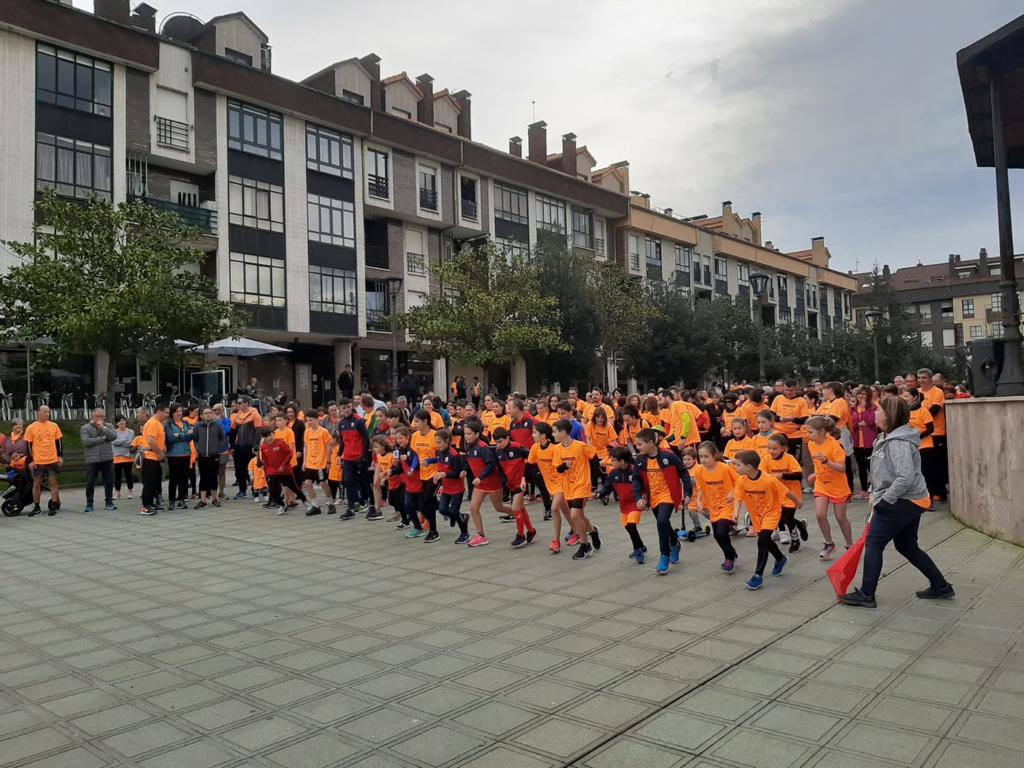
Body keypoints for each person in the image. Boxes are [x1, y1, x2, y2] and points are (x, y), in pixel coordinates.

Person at [841, 396, 953, 607]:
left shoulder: (898, 442)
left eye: (878, 410)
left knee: (874, 543)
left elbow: (905, 477)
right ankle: (941, 586)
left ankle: (866, 594)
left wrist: (886, 500)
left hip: (903, 500)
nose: (874, 413)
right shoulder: (889, 437)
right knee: (907, 546)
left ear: (889, 415)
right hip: (910, 500)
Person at [732, 450, 802, 590]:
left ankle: (758, 575)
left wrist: (797, 502)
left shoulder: (769, 480)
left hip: (771, 513)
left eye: (738, 465)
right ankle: (780, 558)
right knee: (766, 541)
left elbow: (786, 492)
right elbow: (738, 497)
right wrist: (735, 513)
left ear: (749, 467)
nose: (735, 467)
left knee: (762, 539)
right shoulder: (741, 480)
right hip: (756, 516)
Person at [635, 429, 687, 574]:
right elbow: (636, 480)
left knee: (662, 521)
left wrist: (687, 493)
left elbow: (683, 471)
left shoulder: (668, 456)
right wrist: (639, 497)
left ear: (651, 443)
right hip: (653, 497)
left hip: (668, 495)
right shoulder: (640, 460)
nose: (637, 447)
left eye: (640, 444)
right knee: (664, 523)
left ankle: (664, 555)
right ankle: (674, 543)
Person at [552, 419, 601, 560]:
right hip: (568, 486)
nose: (553, 434)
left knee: (574, 515)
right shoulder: (557, 448)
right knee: (580, 515)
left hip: (582, 484)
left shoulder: (580, 446)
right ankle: (593, 531)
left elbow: (594, 458)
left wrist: (593, 480)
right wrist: (564, 466)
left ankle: (585, 545)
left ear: (563, 432)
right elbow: (558, 468)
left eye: (555, 431)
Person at [806, 414, 853, 559]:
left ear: (821, 431)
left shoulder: (835, 445)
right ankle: (829, 543)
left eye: (810, 432)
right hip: (822, 484)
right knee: (820, 514)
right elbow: (817, 464)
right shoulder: (811, 444)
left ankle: (850, 544)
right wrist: (815, 474)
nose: (807, 435)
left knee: (840, 517)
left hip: (838, 486)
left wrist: (827, 461)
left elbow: (842, 468)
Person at [692, 441, 739, 572]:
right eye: (701, 456)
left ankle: (729, 559)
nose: (703, 459)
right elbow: (700, 489)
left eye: (706, 456)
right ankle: (731, 551)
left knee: (721, 532)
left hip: (727, 506)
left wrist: (731, 493)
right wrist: (699, 502)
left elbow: (739, 483)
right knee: (717, 536)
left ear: (714, 456)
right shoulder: (699, 471)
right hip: (713, 507)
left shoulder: (725, 468)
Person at [599, 447, 647, 563]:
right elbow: (607, 487)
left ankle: (637, 550)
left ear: (622, 461)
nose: (611, 462)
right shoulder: (613, 473)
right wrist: (599, 493)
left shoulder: (635, 471)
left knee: (631, 525)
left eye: (614, 460)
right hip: (623, 506)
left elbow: (645, 485)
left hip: (635, 504)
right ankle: (641, 545)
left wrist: (645, 499)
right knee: (629, 527)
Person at [763, 433, 809, 552]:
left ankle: (795, 540)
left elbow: (799, 475)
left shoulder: (789, 458)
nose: (771, 451)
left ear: (783, 448)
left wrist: (783, 475)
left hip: (791, 494)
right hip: (776, 495)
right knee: (781, 518)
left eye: (775, 448)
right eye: (769, 448)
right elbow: (762, 475)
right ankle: (799, 525)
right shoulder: (766, 459)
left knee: (787, 518)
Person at [492, 426, 536, 548]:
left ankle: (520, 535)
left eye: (500, 441)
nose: (499, 444)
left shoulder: (517, 447)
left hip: (521, 483)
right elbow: (500, 470)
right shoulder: (497, 452)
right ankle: (531, 531)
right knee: (520, 509)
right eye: (496, 442)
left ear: (507, 438)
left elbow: (531, 458)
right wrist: (504, 481)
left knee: (516, 507)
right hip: (510, 484)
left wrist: (525, 476)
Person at [25, 405, 64, 517]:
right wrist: (31, 460)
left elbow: (59, 442)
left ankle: (54, 505)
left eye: (48, 412)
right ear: (39, 413)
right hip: (38, 461)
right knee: (36, 483)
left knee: (53, 483)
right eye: (45, 412)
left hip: (52, 460)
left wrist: (60, 456)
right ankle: (37, 507)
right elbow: (28, 446)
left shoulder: (54, 426)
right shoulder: (31, 427)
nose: (47, 414)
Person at [336, 398, 371, 520]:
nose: (346, 410)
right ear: (340, 409)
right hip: (348, 458)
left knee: (365, 482)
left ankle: (372, 506)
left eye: (348, 407)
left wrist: (364, 456)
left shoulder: (359, 421)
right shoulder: (341, 424)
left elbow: (366, 440)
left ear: (351, 407)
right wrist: (339, 455)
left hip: (359, 457)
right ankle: (351, 508)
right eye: (343, 408)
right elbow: (342, 442)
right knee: (348, 481)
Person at [260, 426, 308, 515]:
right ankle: (282, 505)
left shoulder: (280, 443)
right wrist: (267, 472)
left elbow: (289, 453)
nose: (268, 438)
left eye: (270, 435)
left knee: (294, 487)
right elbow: (265, 461)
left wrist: (283, 465)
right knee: (272, 491)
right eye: (266, 437)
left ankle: (305, 501)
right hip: (272, 472)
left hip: (285, 471)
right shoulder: (263, 447)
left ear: (273, 434)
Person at [433, 430, 469, 543]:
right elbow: (440, 465)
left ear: (447, 441)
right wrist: (438, 476)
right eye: (436, 442)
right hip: (446, 487)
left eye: (439, 442)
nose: (437, 445)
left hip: (457, 488)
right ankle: (462, 516)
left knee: (454, 510)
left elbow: (457, 473)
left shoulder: (454, 455)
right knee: (442, 509)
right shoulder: (438, 452)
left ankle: (465, 534)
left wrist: (445, 474)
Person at [918, 368, 948, 502]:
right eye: (919, 378)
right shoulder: (917, 393)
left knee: (937, 465)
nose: (921, 380)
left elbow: (934, 411)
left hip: (936, 433)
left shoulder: (937, 392)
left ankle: (939, 492)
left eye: (924, 377)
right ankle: (928, 492)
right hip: (921, 435)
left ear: (930, 379)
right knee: (924, 466)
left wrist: (919, 416)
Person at [80, 408, 117, 514]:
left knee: (109, 481)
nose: (100, 418)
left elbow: (114, 436)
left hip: (107, 458)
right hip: (92, 460)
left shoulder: (108, 426)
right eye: (98, 416)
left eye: (102, 416)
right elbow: (86, 442)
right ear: (93, 416)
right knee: (91, 482)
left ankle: (109, 502)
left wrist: (103, 428)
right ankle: (89, 504)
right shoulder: (85, 428)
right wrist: (103, 438)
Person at [230, 397, 263, 499]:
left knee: (253, 469)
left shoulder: (255, 414)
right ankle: (242, 490)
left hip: (251, 446)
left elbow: (258, 431)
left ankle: (255, 489)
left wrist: (256, 445)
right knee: (239, 469)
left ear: (247, 403)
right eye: (238, 403)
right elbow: (233, 433)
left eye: (240, 403)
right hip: (239, 446)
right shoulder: (237, 416)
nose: (238, 405)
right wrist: (232, 446)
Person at [193, 407, 226, 508]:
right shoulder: (198, 426)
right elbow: (195, 438)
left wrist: (218, 448)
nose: (208, 415)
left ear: (212, 414)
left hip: (214, 455)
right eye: (205, 413)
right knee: (203, 477)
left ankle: (215, 499)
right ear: (201, 415)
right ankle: (203, 500)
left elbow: (222, 437)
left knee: (213, 477)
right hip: (202, 456)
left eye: (209, 413)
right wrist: (198, 449)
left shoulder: (217, 425)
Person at [139, 405, 169, 516]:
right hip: (150, 457)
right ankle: (145, 506)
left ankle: (151, 503)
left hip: (154, 457)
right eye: (166, 412)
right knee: (149, 483)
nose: (167, 415)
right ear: (159, 411)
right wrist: (159, 452)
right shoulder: (152, 423)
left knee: (154, 482)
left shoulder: (158, 423)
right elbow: (151, 440)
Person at [849, 386, 878, 500]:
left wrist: (865, 409)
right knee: (861, 466)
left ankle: (876, 488)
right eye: (859, 394)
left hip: (869, 440)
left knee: (871, 465)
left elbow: (871, 422)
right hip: (857, 441)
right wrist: (860, 423)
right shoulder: (852, 408)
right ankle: (864, 490)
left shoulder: (873, 407)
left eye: (864, 394)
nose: (861, 396)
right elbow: (852, 423)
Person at [164, 405, 194, 510]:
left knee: (184, 478)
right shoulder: (168, 424)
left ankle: (182, 499)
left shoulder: (185, 423)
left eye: (181, 411)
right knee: (174, 478)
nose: (179, 413)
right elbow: (171, 438)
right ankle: (172, 500)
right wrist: (185, 434)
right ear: (172, 413)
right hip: (174, 454)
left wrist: (179, 435)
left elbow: (192, 435)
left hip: (186, 454)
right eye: (177, 411)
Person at [770, 381, 809, 460]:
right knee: (777, 456)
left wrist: (792, 419)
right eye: (786, 390)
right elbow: (771, 415)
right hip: (778, 432)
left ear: (795, 389)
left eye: (791, 390)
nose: (788, 392)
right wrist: (780, 419)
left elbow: (805, 420)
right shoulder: (778, 398)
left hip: (794, 434)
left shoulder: (801, 401)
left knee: (792, 458)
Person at [112, 416, 136, 500]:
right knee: (117, 476)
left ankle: (130, 492)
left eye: (123, 421)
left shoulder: (130, 432)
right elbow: (114, 442)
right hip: (117, 457)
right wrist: (124, 441)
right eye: (120, 421)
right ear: (116, 423)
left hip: (127, 457)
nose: (122, 423)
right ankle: (118, 493)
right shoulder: (114, 432)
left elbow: (130, 443)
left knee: (128, 475)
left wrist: (119, 442)